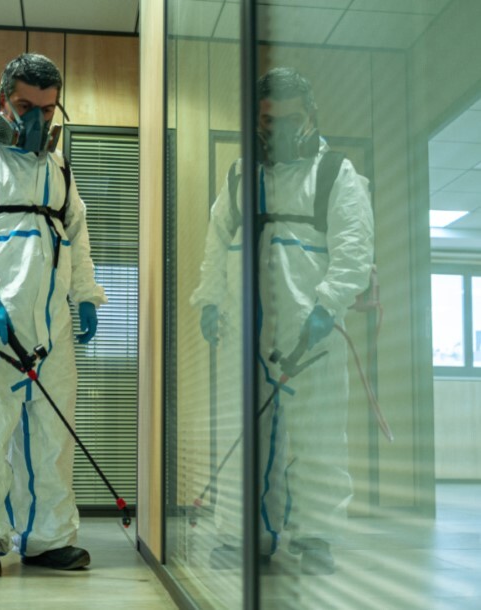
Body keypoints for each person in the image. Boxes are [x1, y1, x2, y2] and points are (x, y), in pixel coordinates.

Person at [190, 67, 374, 575]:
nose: (277, 132)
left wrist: (326, 308)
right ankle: (245, 535)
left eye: (290, 120)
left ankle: (316, 538)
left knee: (317, 438)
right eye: (267, 122)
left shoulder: (337, 175)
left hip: (312, 331)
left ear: (311, 116)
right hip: (244, 334)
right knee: (247, 435)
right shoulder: (240, 177)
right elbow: (216, 244)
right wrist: (209, 300)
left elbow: (354, 255)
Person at [0, 53, 107, 578]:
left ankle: (48, 537)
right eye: (25, 106)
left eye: (48, 111)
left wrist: (86, 295)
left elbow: (75, 232)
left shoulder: (57, 167)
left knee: (51, 436)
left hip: (50, 325)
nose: (36, 121)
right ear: (1, 99)